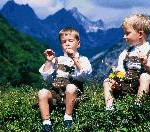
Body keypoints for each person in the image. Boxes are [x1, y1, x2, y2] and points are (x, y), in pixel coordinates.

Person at [38, 27, 92, 132]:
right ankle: (46, 123)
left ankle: (68, 118)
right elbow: (46, 78)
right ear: (61, 45)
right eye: (64, 42)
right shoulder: (57, 60)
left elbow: (84, 76)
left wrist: (74, 59)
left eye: (70, 41)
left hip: (73, 93)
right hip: (56, 92)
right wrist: (49, 61)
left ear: (78, 44)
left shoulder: (82, 59)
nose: (67, 44)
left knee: (71, 87)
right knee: (42, 92)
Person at [103, 14, 150, 110]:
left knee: (145, 76)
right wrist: (116, 77)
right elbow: (121, 70)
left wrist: (145, 64)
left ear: (140, 34)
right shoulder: (126, 53)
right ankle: (110, 107)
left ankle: (139, 104)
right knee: (107, 81)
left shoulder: (148, 51)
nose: (124, 37)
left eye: (127, 33)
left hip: (143, 86)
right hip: (127, 84)